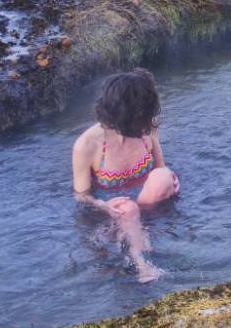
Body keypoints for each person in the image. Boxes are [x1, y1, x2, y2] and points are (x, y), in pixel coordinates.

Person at [72, 68, 180, 281]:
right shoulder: (87, 145)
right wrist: (104, 206)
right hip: (113, 207)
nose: (147, 123)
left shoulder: (146, 128)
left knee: (162, 177)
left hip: (150, 201)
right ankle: (142, 263)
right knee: (128, 209)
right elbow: (81, 195)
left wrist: (169, 182)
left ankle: (135, 234)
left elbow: (160, 167)